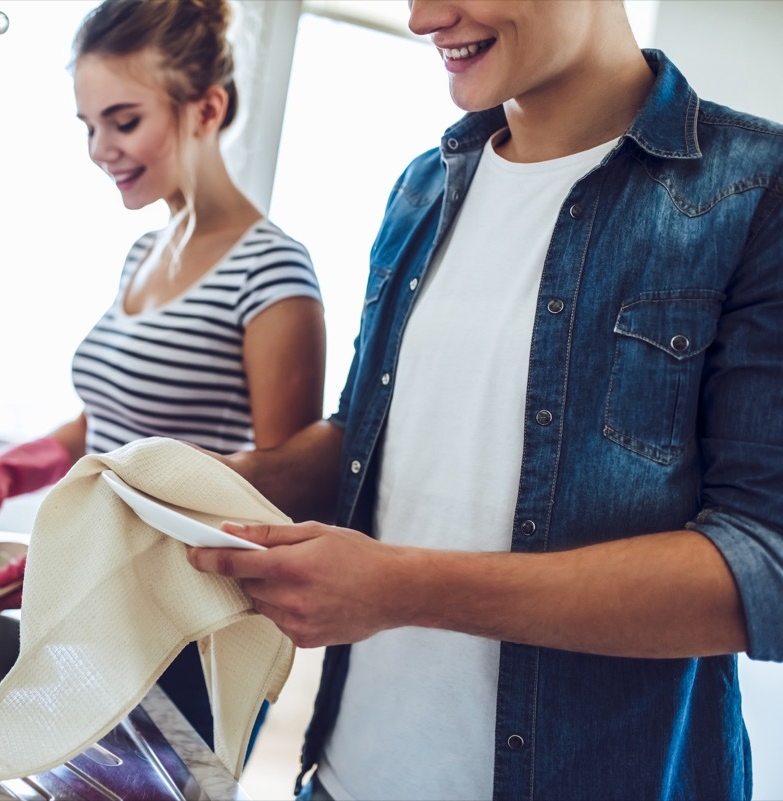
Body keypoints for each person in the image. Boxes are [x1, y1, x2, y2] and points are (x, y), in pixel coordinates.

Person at [185, 1, 783, 799]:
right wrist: (207, 484)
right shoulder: (422, 189)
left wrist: (398, 588)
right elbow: (368, 437)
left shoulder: (755, 192)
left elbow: (762, 565)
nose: (424, 17)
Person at [0, 0, 326, 754]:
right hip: (106, 623)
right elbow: (105, 424)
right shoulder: (143, 253)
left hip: (178, 641)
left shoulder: (271, 269)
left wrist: (100, 547)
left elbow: (275, 493)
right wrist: (6, 473)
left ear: (207, 108)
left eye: (123, 120)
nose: (100, 148)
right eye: (87, 125)